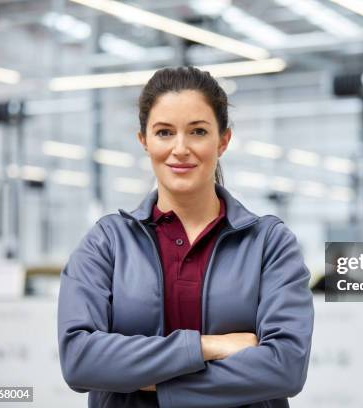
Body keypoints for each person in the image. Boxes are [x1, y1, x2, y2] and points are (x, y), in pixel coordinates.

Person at [57, 66, 315, 408]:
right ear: (144, 141)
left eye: (197, 131)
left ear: (223, 140)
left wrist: (153, 385)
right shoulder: (108, 241)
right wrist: (207, 346)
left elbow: (285, 368)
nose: (180, 148)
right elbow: (80, 360)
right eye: (164, 132)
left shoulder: (270, 243)